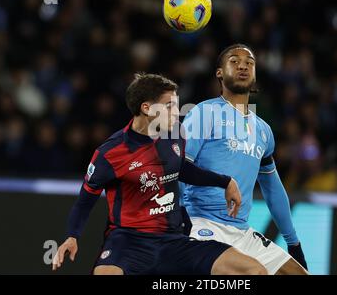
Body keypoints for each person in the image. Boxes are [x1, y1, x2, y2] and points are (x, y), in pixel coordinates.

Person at [52, 73, 268, 275]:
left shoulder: (175, 136)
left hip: (174, 241)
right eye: (169, 106)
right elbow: (84, 201)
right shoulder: (110, 154)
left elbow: (180, 168)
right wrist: (72, 236)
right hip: (128, 242)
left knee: (254, 270)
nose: (177, 112)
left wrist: (225, 182)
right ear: (147, 108)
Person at [180, 44, 309, 275]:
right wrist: (178, 221)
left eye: (249, 62)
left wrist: (293, 243)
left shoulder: (263, 131)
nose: (243, 66)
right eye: (234, 61)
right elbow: (178, 169)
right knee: (254, 273)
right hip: (202, 225)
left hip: (242, 232)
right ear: (219, 72)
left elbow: (273, 188)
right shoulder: (202, 113)